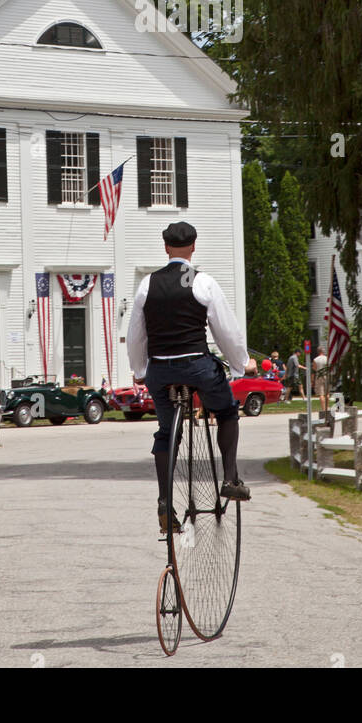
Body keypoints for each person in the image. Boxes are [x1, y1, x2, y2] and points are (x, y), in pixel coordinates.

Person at [127, 220, 252, 534]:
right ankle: (229, 478)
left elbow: (136, 335)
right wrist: (242, 364)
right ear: (193, 247)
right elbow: (227, 332)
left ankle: (164, 501)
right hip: (197, 366)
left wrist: (140, 371)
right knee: (225, 411)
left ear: (166, 248)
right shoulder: (203, 282)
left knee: (167, 432)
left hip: (159, 369)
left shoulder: (147, 284)